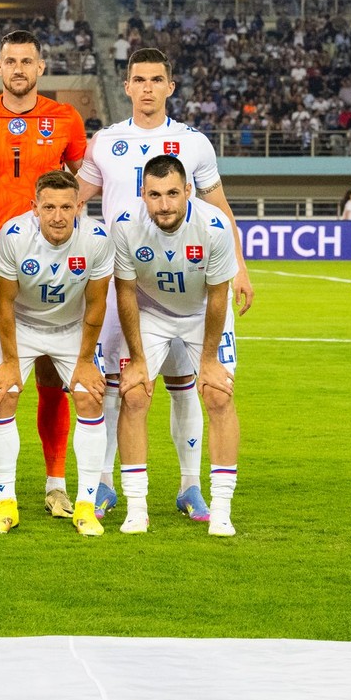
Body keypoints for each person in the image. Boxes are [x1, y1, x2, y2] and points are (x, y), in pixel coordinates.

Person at [76, 47, 254, 522]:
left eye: (158, 79)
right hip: (124, 281)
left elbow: (219, 207)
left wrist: (239, 265)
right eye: (140, 79)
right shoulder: (106, 140)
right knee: (118, 385)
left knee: (186, 384)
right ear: (128, 85)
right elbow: (73, 199)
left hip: (189, 280)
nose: (148, 88)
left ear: (170, 87)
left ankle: (190, 487)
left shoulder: (193, 142)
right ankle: (107, 486)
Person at [0, 29, 88, 519]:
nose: (19, 69)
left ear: (41, 67)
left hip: (51, 271)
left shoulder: (66, 118)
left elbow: (81, 184)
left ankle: (55, 484)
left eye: (28, 61)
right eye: (11, 61)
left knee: (53, 376)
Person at [113, 155, 240, 537]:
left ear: (187, 191)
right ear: (143, 193)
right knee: (133, 394)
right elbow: (125, 293)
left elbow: (219, 298)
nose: (164, 204)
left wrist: (209, 360)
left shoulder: (214, 227)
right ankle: (136, 508)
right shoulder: (126, 226)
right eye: (154, 195)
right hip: (150, 311)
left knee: (218, 395)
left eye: (172, 193)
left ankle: (221, 508)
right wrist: (136, 359)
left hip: (202, 313)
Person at [0, 171, 113, 536]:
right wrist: (9, 362)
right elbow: (4, 304)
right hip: (20, 326)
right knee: (3, 396)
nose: (58, 216)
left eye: (66, 207)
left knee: (90, 399)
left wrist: (86, 362)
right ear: (34, 207)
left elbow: (96, 304)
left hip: (71, 329)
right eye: (49, 207)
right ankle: (6, 503)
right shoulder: (13, 236)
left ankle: (84, 506)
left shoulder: (97, 239)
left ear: (80, 207)